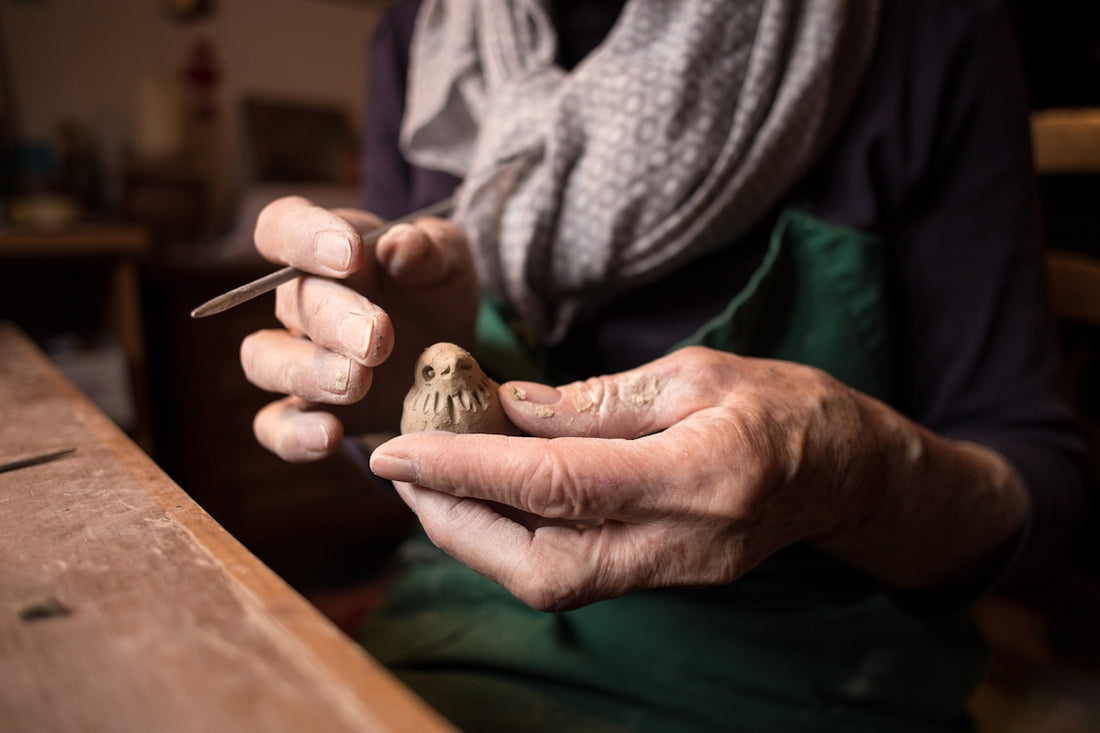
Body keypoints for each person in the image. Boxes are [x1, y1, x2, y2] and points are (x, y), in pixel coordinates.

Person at [239, 1, 1091, 730]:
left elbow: (1041, 479)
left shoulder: (917, 27)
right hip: (465, 625)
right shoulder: (428, 33)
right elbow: (397, 426)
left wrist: (862, 473)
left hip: (804, 676)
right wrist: (364, 374)